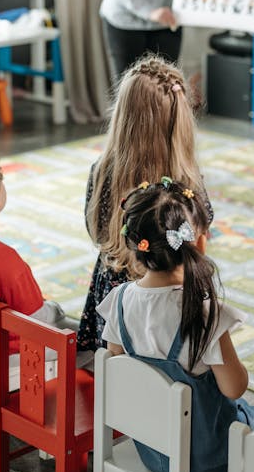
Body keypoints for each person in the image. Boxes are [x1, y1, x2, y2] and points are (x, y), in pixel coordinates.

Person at [97, 179, 254, 472]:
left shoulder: (119, 301)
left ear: (135, 249)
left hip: (150, 449)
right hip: (206, 460)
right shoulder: (204, 315)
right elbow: (235, 388)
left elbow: (116, 368)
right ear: (198, 243)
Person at [77, 54, 213, 353]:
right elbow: (202, 235)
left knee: (118, 369)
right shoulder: (188, 183)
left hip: (117, 303)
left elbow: (96, 231)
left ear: (123, 117)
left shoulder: (102, 171)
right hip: (173, 298)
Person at [0, 142, 82, 364]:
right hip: (4, 360)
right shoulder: (3, 260)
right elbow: (38, 320)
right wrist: (55, 310)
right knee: (85, 337)